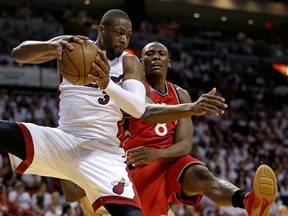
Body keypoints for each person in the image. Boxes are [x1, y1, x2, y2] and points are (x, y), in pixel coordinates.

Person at [61, 42, 278, 216]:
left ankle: (248, 201)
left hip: (167, 164)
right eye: (149, 54)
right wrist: (192, 108)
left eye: (161, 54)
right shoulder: (131, 89)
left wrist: (156, 154)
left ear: (169, 63)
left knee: (201, 175)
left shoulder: (180, 94)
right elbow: (147, 110)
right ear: (140, 63)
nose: (155, 57)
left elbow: (184, 146)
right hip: (132, 168)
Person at [2, 9, 148, 216]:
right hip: (63, 140)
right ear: (102, 30)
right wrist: (52, 47)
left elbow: (138, 108)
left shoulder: (128, 62)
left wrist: (107, 83)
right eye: (119, 32)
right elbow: (18, 54)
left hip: (102, 151)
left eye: (128, 35)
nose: (124, 39)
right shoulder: (72, 46)